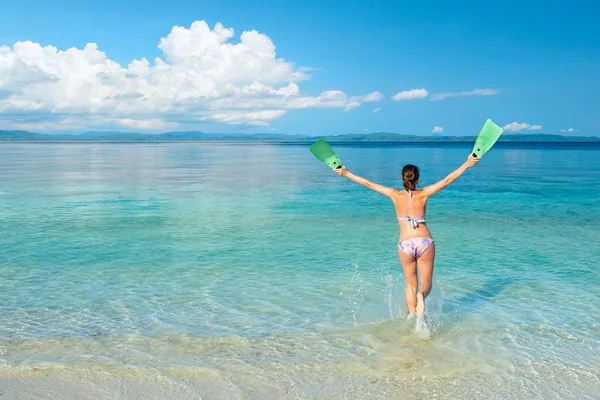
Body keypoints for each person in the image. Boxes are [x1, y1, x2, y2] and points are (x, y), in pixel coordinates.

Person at [335, 155, 479, 317]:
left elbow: (369, 184)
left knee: (410, 284)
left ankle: (412, 317)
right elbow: (447, 180)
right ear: (417, 178)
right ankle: (422, 296)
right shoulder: (424, 193)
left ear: (402, 178)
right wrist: (467, 164)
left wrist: (346, 173)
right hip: (424, 241)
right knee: (426, 283)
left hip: (405, 244)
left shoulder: (394, 194)